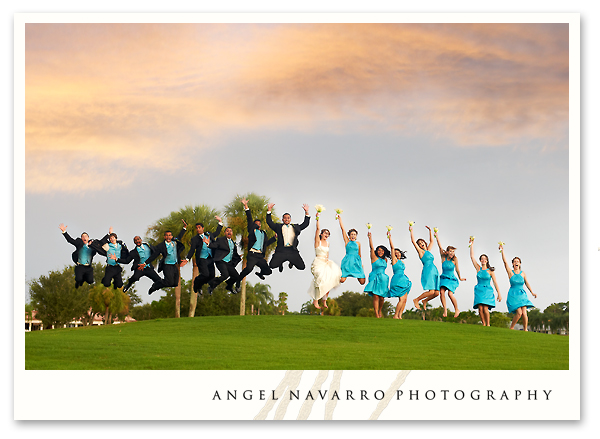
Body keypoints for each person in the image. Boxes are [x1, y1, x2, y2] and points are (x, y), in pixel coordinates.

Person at [181, 216, 223, 295]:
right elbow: (192, 249)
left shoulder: (209, 235)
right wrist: (187, 259)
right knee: (205, 274)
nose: (198, 229)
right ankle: (197, 282)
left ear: (203, 228)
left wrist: (220, 222)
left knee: (211, 276)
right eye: (196, 228)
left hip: (210, 258)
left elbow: (217, 233)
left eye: (199, 227)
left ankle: (201, 284)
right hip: (202, 259)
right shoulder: (195, 239)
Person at [307, 216, 342, 310]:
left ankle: (324, 299)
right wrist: (317, 218)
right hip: (318, 262)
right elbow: (317, 229)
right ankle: (316, 300)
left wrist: (327, 260)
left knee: (331, 279)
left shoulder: (328, 243)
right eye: (325, 233)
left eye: (328, 234)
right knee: (320, 280)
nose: (326, 235)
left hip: (325, 262)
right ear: (321, 234)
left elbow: (327, 253)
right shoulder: (317, 242)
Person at [238, 198, 276, 282]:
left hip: (259, 256)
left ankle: (260, 273)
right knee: (248, 269)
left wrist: (274, 238)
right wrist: (246, 206)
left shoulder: (263, 233)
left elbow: (266, 244)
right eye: (256, 223)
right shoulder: (252, 231)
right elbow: (249, 218)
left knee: (268, 271)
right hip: (252, 254)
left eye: (259, 223)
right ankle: (238, 280)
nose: (258, 225)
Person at [500, 244, 537, 331]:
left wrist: (532, 292)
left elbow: (527, 283)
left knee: (524, 313)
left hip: (522, 294)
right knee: (519, 313)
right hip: (513, 294)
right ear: (512, 264)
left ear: (520, 264)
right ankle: (512, 327)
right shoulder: (510, 272)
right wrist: (502, 251)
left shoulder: (523, 273)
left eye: (518, 261)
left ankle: (525, 330)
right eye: (515, 261)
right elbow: (505, 262)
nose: (516, 262)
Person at [144, 222, 187, 295]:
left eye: (169, 235)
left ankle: (160, 284)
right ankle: (155, 286)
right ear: (164, 237)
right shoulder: (161, 246)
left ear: (172, 236)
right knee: (169, 282)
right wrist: (145, 263)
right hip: (167, 265)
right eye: (166, 235)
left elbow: (180, 236)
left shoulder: (175, 242)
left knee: (175, 283)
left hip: (174, 265)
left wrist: (184, 228)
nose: (168, 237)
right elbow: (154, 255)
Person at [266, 203, 310, 272]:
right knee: (272, 265)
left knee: (302, 267)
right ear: (282, 219)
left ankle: (292, 262)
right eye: (285, 218)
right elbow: (269, 222)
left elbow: (305, 224)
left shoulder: (295, 227)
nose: (287, 219)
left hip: (292, 251)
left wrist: (306, 212)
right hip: (281, 250)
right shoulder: (278, 227)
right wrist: (269, 210)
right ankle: (281, 262)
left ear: (290, 219)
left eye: (288, 218)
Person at [469, 237, 502, 326]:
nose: (483, 260)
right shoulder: (478, 268)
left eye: (485, 259)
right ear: (480, 260)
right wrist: (471, 244)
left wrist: (499, 293)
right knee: (480, 308)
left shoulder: (490, 271)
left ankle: (488, 324)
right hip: (479, 289)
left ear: (487, 261)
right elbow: (472, 256)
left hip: (487, 290)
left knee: (485, 308)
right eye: (482, 259)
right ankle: (483, 323)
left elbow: (495, 282)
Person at [435, 229, 466, 318]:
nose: (452, 253)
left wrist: (460, 278)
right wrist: (437, 236)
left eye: (453, 251)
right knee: (441, 292)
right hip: (443, 278)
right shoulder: (443, 258)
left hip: (451, 279)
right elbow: (440, 247)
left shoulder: (455, 260)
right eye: (450, 251)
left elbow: (457, 270)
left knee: (450, 294)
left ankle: (456, 309)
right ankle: (445, 309)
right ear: (447, 252)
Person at [409, 225, 440, 310]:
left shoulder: (428, 251)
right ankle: (416, 299)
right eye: (419, 244)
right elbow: (413, 241)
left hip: (434, 270)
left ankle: (425, 301)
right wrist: (411, 230)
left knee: (436, 293)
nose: (421, 244)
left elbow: (432, 241)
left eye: (422, 242)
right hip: (428, 270)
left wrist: (430, 231)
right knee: (431, 291)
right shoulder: (421, 252)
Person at [59, 223, 98, 288]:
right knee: (78, 279)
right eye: (83, 237)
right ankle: (78, 281)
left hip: (88, 267)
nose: (84, 237)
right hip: (80, 266)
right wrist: (64, 232)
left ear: (88, 238)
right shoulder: (79, 243)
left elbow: (100, 247)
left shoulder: (93, 246)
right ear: (81, 238)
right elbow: (70, 240)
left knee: (90, 281)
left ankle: (83, 280)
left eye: (85, 236)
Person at [364, 231, 390, 318]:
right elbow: (371, 248)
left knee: (382, 297)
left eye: (382, 250)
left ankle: (380, 310)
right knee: (375, 296)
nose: (380, 252)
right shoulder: (374, 258)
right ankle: (376, 313)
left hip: (383, 278)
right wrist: (370, 238)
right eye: (379, 250)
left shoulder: (385, 260)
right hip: (375, 277)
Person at [208, 227, 242, 294]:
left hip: (229, 263)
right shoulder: (220, 240)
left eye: (230, 231)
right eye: (227, 231)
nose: (229, 232)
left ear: (232, 233)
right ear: (225, 233)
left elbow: (233, 252)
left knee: (236, 276)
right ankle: (211, 284)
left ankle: (229, 286)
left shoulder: (232, 242)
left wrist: (238, 256)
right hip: (221, 261)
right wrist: (208, 244)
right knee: (225, 275)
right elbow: (215, 245)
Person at [387, 231, 412, 319]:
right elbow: (392, 248)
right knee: (401, 299)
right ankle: (395, 315)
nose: (397, 253)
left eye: (398, 252)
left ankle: (400, 315)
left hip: (404, 280)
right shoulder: (394, 261)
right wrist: (390, 238)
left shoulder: (402, 262)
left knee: (404, 299)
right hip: (397, 280)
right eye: (395, 252)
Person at [336, 214, 366, 285]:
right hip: (348, 261)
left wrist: (361, 264)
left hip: (356, 262)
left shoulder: (358, 243)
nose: (353, 235)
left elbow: (359, 254)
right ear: (349, 236)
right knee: (342, 280)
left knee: (362, 282)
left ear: (356, 236)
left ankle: (358, 272)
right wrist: (340, 219)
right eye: (351, 234)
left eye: (354, 234)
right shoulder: (347, 242)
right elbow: (343, 230)